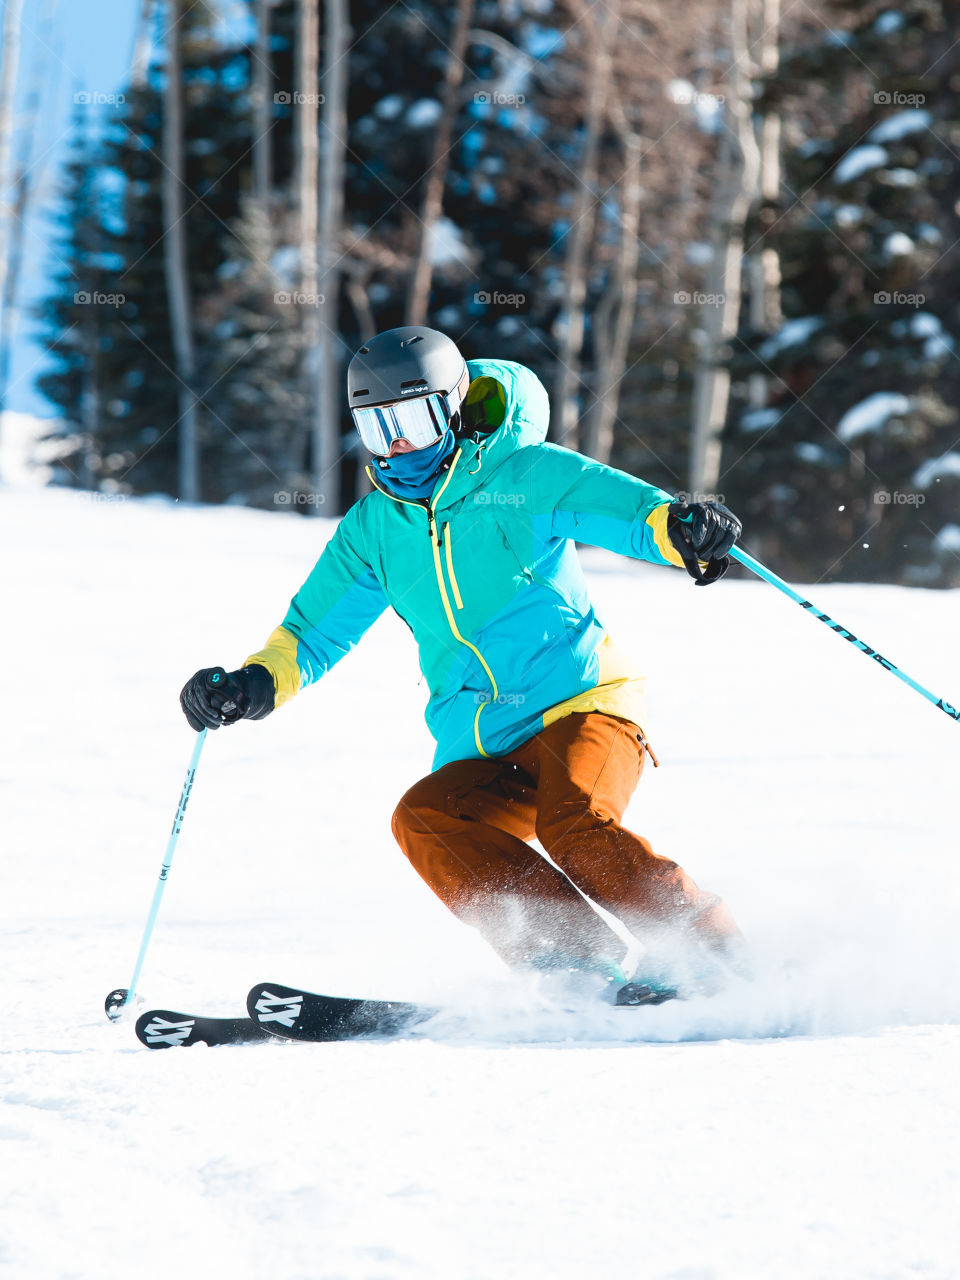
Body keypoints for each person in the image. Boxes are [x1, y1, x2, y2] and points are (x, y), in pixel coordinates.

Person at [180, 327, 744, 1002]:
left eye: (412, 422)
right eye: (376, 426)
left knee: (575, 827)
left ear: (451, 408)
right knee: (427, 817)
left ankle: (711, 955)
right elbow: (312, 632)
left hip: (583, 701)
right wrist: (253, 684)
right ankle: (571, 960)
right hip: (482, 736)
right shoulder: (374, 528)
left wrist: (681, 532)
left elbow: (625, 512)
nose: (396, 446)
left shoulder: (521, 472)